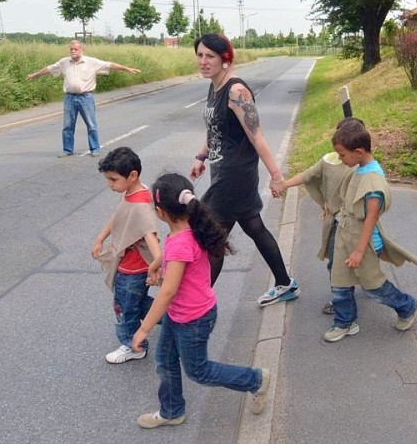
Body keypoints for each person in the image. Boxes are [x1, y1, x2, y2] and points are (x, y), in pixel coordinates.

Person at [132, 173, 270, 428]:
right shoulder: (191, 227)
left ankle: (255, 380)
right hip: (181, 314)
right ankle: (172, 411)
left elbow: (168, 291)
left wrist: (144, 328)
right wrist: (157, 262)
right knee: (165, 360)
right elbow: (173, 253)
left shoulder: (182, 242)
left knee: (200, 371)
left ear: (161, 212)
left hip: (192, 319)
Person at [189, 33, 298, 306]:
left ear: (225, 59)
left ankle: (197, 305)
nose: (203, 61)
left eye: (210, 56)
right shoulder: (214, 86)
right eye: (200, 55)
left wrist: (276, 175)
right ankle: (285, 283)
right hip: (223, 170)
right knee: (253, 226)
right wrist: (201, 156)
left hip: (234, 176)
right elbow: (215, 129)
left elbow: (256, 136)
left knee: (212, 237)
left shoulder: (237, 91)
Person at [324, 120, 417, 343]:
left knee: (373, 286)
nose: (341, 159)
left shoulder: (373, 182)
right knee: (339, 279)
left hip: (363, 242)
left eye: (342, 155)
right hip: (346, 235)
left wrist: (359, 251)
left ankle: (408, 306)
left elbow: (371, 218)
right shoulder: (359, 169)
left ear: (358, 152)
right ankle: (345, 322)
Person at [276, 117, 362, 314]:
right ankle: (341, 300)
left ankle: (362, 293)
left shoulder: (361, 165)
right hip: (335, 224)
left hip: (357, 224)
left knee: (360, 260)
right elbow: (307, 175)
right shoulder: (329, 160)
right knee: (336, 262)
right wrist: (284, 184)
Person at [91, 147, 161, 364]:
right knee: (136, 304)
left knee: (124, 308)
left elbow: (150, 236)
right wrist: (100, 238)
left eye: (113, 179)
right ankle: (176, 319)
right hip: (129, 266)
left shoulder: (140, 206)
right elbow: (119, 217)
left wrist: (157, 264)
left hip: (134, 270)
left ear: (133, 176)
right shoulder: (131, 194)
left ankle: (133, 346)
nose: (109, 184)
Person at [26, 40, 141, 157]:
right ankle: (67, 149)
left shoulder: (91, 62)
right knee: (67, 126)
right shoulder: (64, 62)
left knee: (91, 125)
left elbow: (109, 65)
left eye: (75, 49)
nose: (73, 51)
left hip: (86, 98)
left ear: (82, 50)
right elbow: (50, 69)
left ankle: (94, 148)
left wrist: (127, 69)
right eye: (71, 49)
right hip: (70, 98)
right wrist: (35, 75)